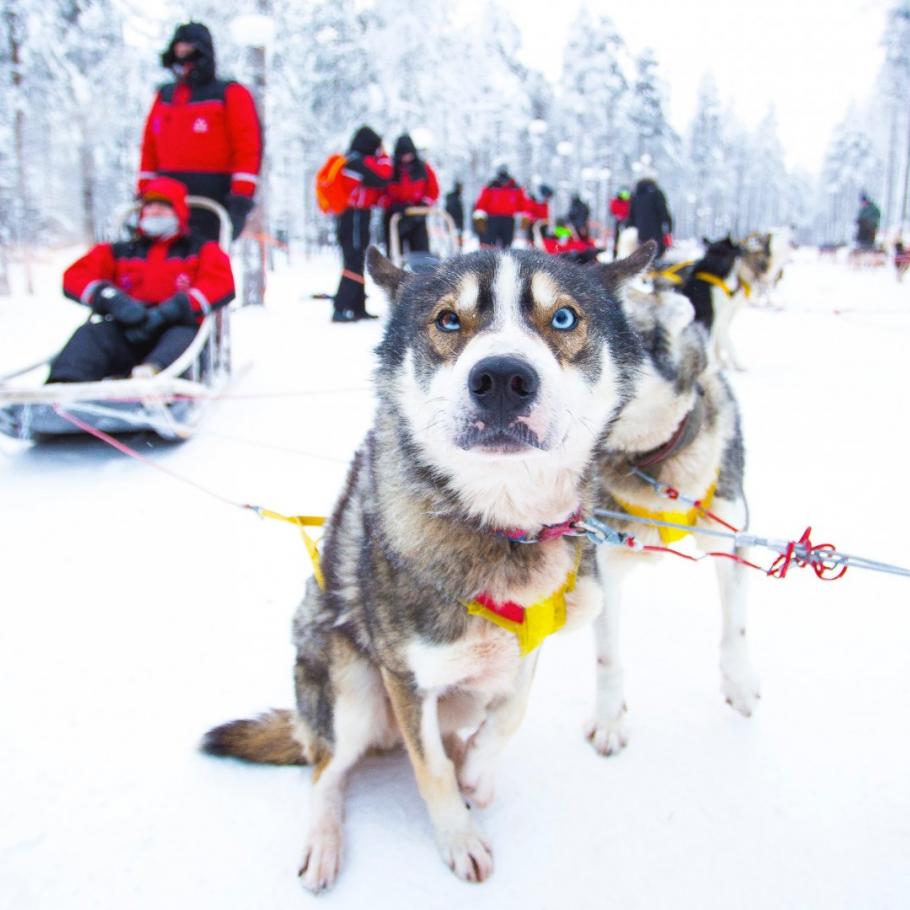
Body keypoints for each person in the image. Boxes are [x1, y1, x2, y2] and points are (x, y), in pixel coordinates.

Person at [47, 177, 235, 383]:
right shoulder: (119, 251)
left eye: (163, 206)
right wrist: (111, 299)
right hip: (127, 328)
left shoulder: (200, 250)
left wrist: (177, 307)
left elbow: (221, 283)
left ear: (179, 212)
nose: (155, 211)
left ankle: (151, 382)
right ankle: (61, 389)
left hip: (176, 329)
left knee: (181, 339)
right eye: (149, 205)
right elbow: (74, 277)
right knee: (91, 334)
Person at [138, 22, 263, 242]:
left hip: (212, 199)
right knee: (159, 262)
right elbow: (149, 147)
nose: (183, 56)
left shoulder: (230, 94)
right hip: (165, 199)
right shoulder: (164, 96)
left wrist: (241, 196)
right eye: (179, 49)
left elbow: (247, 146)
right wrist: (144, 192)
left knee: (205, 263)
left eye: (188, 49)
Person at [332, 125, 392, 322]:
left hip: (358, 215)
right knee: (353, 259)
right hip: (353, 215)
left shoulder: (355, 159)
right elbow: (382, 178)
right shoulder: (355, 162)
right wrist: (383, 155)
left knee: (359, 259)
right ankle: (340, 307)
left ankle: (358, 307)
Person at [381, 133, 439, 261]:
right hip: (395, 218)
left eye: (409, 154)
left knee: (421, 256)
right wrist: (392, 205)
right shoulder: (390, 169)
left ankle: (423, 277)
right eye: (403, 155)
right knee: (396, 255)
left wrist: (424, 204)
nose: (406, 158)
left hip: (417, 216)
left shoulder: (423, 168)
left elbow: (433, 190)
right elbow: (381, 193)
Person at [472, 162, 529, 249]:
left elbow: (523, 205)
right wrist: (479, 215)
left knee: (507, 246)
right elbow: (481, 203)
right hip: (492, 219)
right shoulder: (491, 186)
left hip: (509, 220)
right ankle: (488, 261)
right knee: (489, 244)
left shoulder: (515, 187)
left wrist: (525, 216)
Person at [629, 174, 673, 258]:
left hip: (640, 233)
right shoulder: (657, 193)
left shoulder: (636, 195)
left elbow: (631, 216)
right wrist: (669, 228)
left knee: (642, 257)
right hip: (655, 232)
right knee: (656, 255)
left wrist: (632, 228)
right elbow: (663, 212)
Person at [609, 188, 631, 259]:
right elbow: (612, 211)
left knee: (626, 237)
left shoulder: (629, 202)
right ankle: (614, 255)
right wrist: (618, 216)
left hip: (626, 222)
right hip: (618, 221)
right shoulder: (615, 201)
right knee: (617, 239)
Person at [444, 181, 465, 248]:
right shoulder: (454, 198)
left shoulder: (456, 197)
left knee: (457, 242)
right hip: (454, 223)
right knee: (453, 242)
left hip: (455, 222)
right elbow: (453, 211)